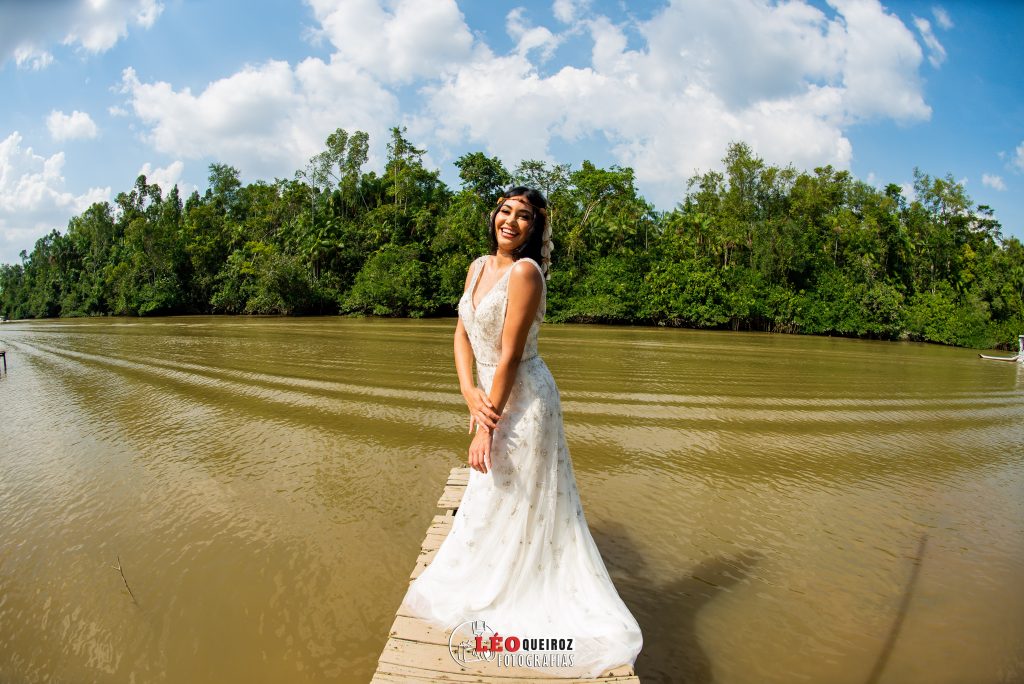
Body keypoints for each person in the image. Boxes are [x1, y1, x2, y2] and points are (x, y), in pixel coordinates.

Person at [400, 187, 642, 678]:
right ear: (494, 215)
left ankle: (521, 586)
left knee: (517, 493)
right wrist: (468, 392)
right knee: (493, 491)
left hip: (525, 399)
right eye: (505, 211)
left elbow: (509, 355)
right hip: (489, 393)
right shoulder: (476, 266)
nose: (510, 221)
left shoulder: (526, 273)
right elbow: (462, 333)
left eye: (524, 216)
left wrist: (485, 427)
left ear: (535, 228)